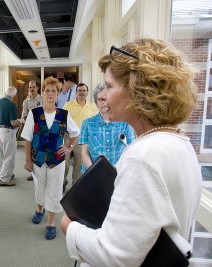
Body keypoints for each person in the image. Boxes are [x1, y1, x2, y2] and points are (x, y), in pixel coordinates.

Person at [61, 38, 202, 266]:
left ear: (136, 90)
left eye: (109, 86)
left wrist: (70, 227)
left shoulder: (143, 157)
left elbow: (114, 257)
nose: (103, 97)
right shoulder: (180, 144)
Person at [21, 76, 79, 240]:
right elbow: (27, 138)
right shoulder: (34, 113)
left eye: (54, 91)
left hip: (57, 160)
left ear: (57, 93)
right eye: (47, 90)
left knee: (54, 191)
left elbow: (75, 133)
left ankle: (51, 222)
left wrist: (69, 147)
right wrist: (27, 160)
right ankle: (40, 209)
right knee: (40, 187)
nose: (50, 93)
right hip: (37, 159)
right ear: (43, 92)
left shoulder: (64, 114)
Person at [79, 83, 135, 171]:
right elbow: (84, 153)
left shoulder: (125, 123)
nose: (103, 103)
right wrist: (95, 172)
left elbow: (132, 150)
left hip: (118, 174)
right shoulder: (87, 124)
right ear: (96, 103)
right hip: (93, 174)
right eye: (100, 99)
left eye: (106, 99)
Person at [63, 83, 98, 191]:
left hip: (82, 140)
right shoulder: (68, 105)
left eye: (84, 90)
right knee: (65, 164)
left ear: (87, 93)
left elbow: (95, 124)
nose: (82, 92)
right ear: (76, 92)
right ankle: (63, 181)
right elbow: (62, 121)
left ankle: (75, 188)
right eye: (79, 90)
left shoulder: (92, 107)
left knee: (78, 166)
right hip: (68, 137)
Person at [0, 86, 21, 187]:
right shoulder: (12, 105)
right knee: (9, 155)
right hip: (7, 132)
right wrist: (20, 122)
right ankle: (4, 179)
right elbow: (13, 122)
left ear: (5, 92)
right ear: (14, 95)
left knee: (1, 154)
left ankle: (5, 173)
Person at [21, 80, 43, 181]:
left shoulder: (42, 99)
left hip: (41, 129)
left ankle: (41, 171)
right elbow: (24, 114)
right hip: (31, 130)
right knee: (30, 151)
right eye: (30, 87)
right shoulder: (26, 101)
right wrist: (25, 120)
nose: (31, 89)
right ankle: (32, 172)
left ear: (37, 88)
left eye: (33, 87)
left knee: (40, 150)